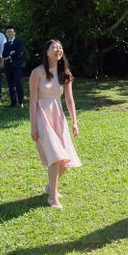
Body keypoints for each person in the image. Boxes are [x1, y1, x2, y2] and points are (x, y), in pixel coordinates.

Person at [29, 39, 81, 208]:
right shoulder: (37, 73)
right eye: (54, 47)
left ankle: (51, 187)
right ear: (46, 51)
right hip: (42, 116)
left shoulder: (64, 72)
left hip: (57, 116)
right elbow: (33, 101)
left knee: (65, 161)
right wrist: (33, 126)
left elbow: (69, 99)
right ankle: (53, 197)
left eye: (60, 47)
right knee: (56, 158)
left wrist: (74, 122)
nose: (58, 50)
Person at [2, 26, 25, 108]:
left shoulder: (18, 41)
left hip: (17, 66)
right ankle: (13, 102)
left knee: (18, 84)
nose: (10, 33)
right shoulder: (5, 44)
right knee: (10, 84)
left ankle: (21, 102)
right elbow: (4, 54)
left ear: (14, 33)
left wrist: (10, 56)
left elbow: (19, 51)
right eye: (8, 32)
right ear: (6, 34)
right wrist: (12, 53)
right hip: (8, 66)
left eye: (11, 31)